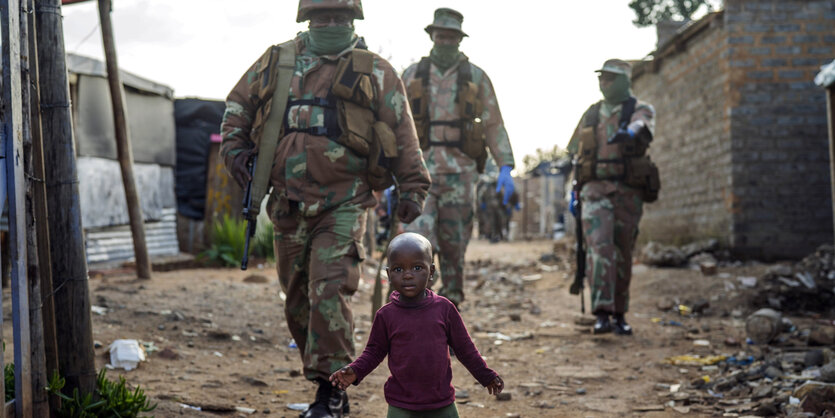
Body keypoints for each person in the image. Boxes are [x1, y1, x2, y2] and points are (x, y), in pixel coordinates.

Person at [220, 2, 431, 417]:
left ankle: (330, 390)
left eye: (339, 19)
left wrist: (413, 187)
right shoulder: (277, 60)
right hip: (286, 200)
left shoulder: (375, 70)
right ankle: (323, 378)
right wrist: (237, 154)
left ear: (353, 21)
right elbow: (237, 109)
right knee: (298, 299)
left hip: (345, 200)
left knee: (330, 289)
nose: (331, 25)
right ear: (307, 20)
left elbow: (404, 132)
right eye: (322, 18)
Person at [402, 7, 516, 308]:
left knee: (454, 251)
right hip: (418, 174)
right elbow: (394, 124)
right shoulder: (412, 75)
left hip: (461, 176)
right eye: (441, 35)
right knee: (414, 246)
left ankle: (448, 319)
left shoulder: (476, 77)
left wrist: (505, 165)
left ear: (459, 39)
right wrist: (387, 170)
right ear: (432, 36)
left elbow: (493, 123)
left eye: (451, 36)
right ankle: (413, 316)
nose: (446, 41)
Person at [329, 232, 504, 418]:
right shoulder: (386, 315)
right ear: (388, 274)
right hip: (401, 405)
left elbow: (465, 348)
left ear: (432, 272)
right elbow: (373, 352)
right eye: (398, 269)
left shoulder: (444, 309)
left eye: (417, 267)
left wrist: (485, 375)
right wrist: (356, 371)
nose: (407, 276)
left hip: (441, 402)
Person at [567, 59, 659, 336]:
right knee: (599, 250)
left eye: (611, 79)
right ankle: (602, 314)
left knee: (622, 253)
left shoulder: (638, 108)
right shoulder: (592, 114)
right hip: (594, 191)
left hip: (627, 192)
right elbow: (575, 152)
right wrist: (573, 191)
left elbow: (642, 124)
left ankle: (620, 313)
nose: (605, 83)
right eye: (602, 78)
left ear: (624, 81)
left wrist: (629, 131)